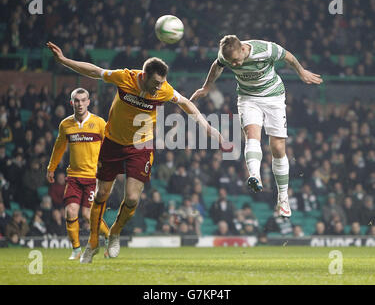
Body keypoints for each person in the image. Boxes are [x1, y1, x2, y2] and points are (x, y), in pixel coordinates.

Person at [46, 41, 232, 263]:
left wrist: (209, 129)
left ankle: (114, 232)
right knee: (102, 194)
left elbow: (186, 104)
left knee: (132, 198)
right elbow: (94, 71)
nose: (157, 88)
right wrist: (65, 61)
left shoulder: (163, 90)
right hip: (112, 142)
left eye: (161, 83)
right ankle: (93, 242)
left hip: (140, 145)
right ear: (143, 76)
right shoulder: (125, 78)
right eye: (155, 82)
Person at [190, 35, 323, 218]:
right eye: (231, 63)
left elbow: (288, 57)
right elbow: (217, 66)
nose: (235, 65)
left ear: (243, 49)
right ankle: (255, 176)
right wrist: (206, 87)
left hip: (273, 97)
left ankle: (283, 197)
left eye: (236, 61)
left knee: (277, 147)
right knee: (252, 136)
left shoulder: (265, 49)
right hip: (248, 98)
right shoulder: (226, 56)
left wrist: (301, 72)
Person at [46, 86, 110, 260]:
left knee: (87, 214)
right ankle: (76, 250)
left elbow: (109, 147)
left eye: (83, 100)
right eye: (77, 100)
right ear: (71, 103)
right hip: (73, 176)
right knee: (70, 212)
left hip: (93, 177)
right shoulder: (65, 124)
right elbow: (58, 148)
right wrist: (51, 168)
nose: (80, 104)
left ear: (88, 102)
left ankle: (110, 237)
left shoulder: (99, 123)